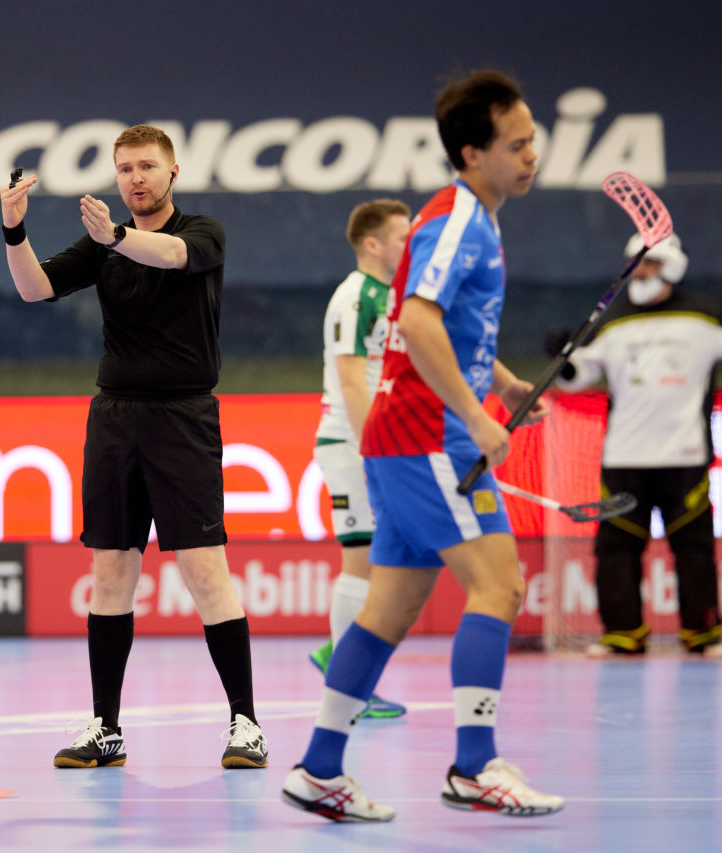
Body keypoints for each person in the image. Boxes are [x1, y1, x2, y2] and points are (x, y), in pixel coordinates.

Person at [281, 70, 565, 821]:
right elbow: (418, 319)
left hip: (413, 433)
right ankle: (475, 766)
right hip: (424, 433)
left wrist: (500, 384)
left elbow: (456, 326)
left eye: (534, 140)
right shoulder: (457, 219)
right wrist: (476, 417)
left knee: (387, 612)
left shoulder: (480, 215)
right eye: (518, 143)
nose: (532, 154)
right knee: (500, 585)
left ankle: (319, 768)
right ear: (472, 152)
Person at [0, 124, 267, 770]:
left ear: (173, 172)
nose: (135, 178)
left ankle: (246, 723)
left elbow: (171, 257)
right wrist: (14, 230)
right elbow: (33, 287)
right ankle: (106, 727)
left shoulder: (202, 233)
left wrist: (116, 238)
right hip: (115, 420)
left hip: (184, 419)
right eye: (124, 169)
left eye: (147, 166)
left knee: (206, 572)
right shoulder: (103, 245)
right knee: (111, 571)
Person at [552, 233, 722, 656]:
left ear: (671, 266)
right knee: (615, 549)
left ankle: (703, 633)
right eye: (634, 264)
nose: (639, 272)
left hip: (685, 455)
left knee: (695, 549)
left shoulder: (705, 317)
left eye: (647, 263)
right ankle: (622, 634)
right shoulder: (613, 321)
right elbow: (577, 375)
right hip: (624, 457)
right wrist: (561, 357)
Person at [309, 199, 412, 719]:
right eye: (401, 236)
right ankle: (347, 682)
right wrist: (376, 447)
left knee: (376, 563)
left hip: (374, 443)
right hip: (352, 445)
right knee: (360, 558)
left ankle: (336, 657)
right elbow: (351, 380)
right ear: (372, 244)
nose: (410, 244)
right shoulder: (355, 298)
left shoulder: (393, 297)